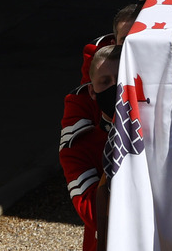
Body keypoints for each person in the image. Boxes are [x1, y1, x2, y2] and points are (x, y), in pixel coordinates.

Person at [60, 45, 122, 251]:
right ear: (92, 91)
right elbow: (93, 213)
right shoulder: (79, 148)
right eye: (105, 82)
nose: (115, 88)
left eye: (121, 78)